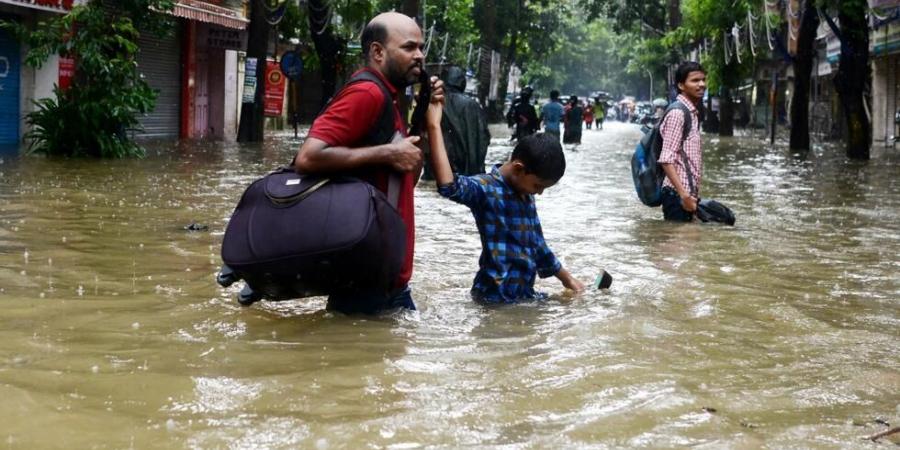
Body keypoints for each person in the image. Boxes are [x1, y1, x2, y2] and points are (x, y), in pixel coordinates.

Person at [292, 12, 444, 313]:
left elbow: (408, 179)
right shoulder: (367, 94)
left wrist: (427, 119)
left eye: (421, 47)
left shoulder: (389, 98)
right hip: (366, 279)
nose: (420, 56)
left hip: (385, 276)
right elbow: (307, 157)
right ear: (377, 52)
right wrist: (388, 153)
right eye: (409, 47)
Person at [424, 113, 585, 302]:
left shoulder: (526, 194)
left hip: (522, 294)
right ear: (518, 169)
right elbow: (449, 186)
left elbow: (537, 245)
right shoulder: (485, 188)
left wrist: (568, 280)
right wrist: (434, 125)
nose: (539, 193)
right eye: (538, 186)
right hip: (493, 297)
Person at [659, 61, 707, 222]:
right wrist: (684, 195)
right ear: (681, 85)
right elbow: (666, 159)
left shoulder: (692, 113)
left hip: (687, 195)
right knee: (677, 245)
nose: (701, 84)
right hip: (677, 195)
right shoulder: (678, 113)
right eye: (695, 80)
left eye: (703, 80)